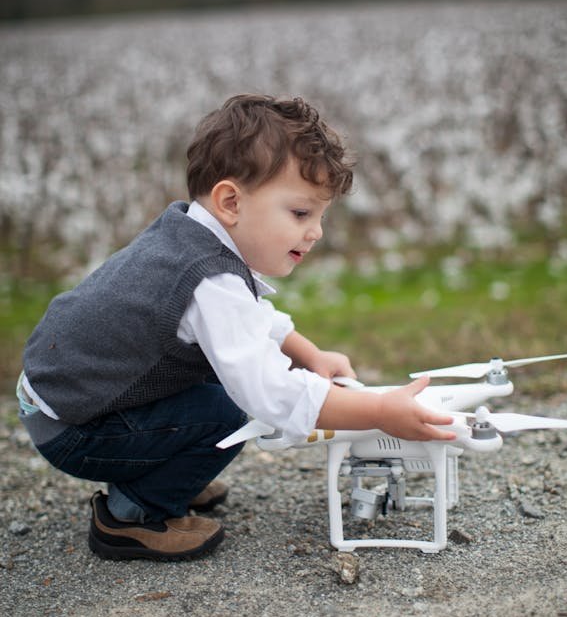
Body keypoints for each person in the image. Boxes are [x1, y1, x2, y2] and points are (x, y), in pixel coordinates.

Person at [17, 94, 455, 562]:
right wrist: (378, 412)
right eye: (302, 214)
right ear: (230, 201)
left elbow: (252, 319)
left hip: (62, 400)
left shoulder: (189, 233)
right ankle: (132, 512)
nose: (316, 233)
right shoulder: (210, 278)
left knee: (217, 377)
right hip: (75, 428)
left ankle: (161, 471)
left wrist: (310, 355)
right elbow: (271, 393)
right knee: (229, 411)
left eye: (320, 216)